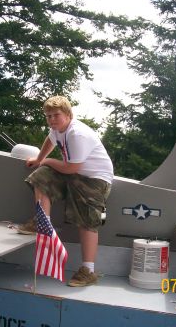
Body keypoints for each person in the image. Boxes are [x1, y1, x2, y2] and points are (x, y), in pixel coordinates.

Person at [18, 96, 113, 287]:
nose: (52, 120)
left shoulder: (77, 133)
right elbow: (50, 140)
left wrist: (47, 161)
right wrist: (39, 159)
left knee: (87, 220)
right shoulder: (57, 129)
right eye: (48, 116)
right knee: (41, 176)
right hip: (75, 172)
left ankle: (88, 271)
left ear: (68, 115)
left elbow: (71, 168)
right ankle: (41, 222)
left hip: (95, 180)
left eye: (56, 115)